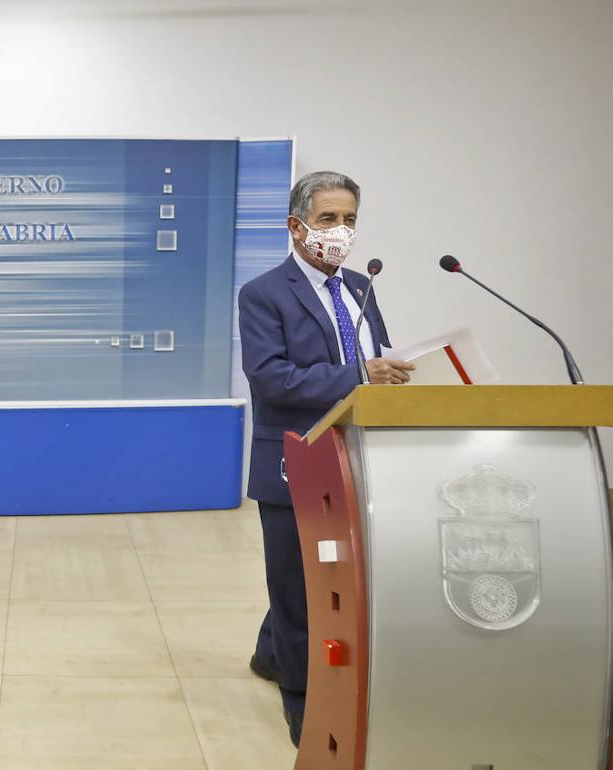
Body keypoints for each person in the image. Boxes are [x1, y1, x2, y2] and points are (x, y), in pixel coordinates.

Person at [237, 170, 413, 746]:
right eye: (328, 219)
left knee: (327, 577)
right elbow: (270, 379)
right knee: (298, 588)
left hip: (358, 457)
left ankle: (271, 654)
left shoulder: (362, 287)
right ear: (297, 227)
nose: (341, 231)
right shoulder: (263, 293)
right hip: (296, 461)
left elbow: (376, 355)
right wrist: (360, 375)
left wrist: (398, 371)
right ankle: (303, 702)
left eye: (351, 219)